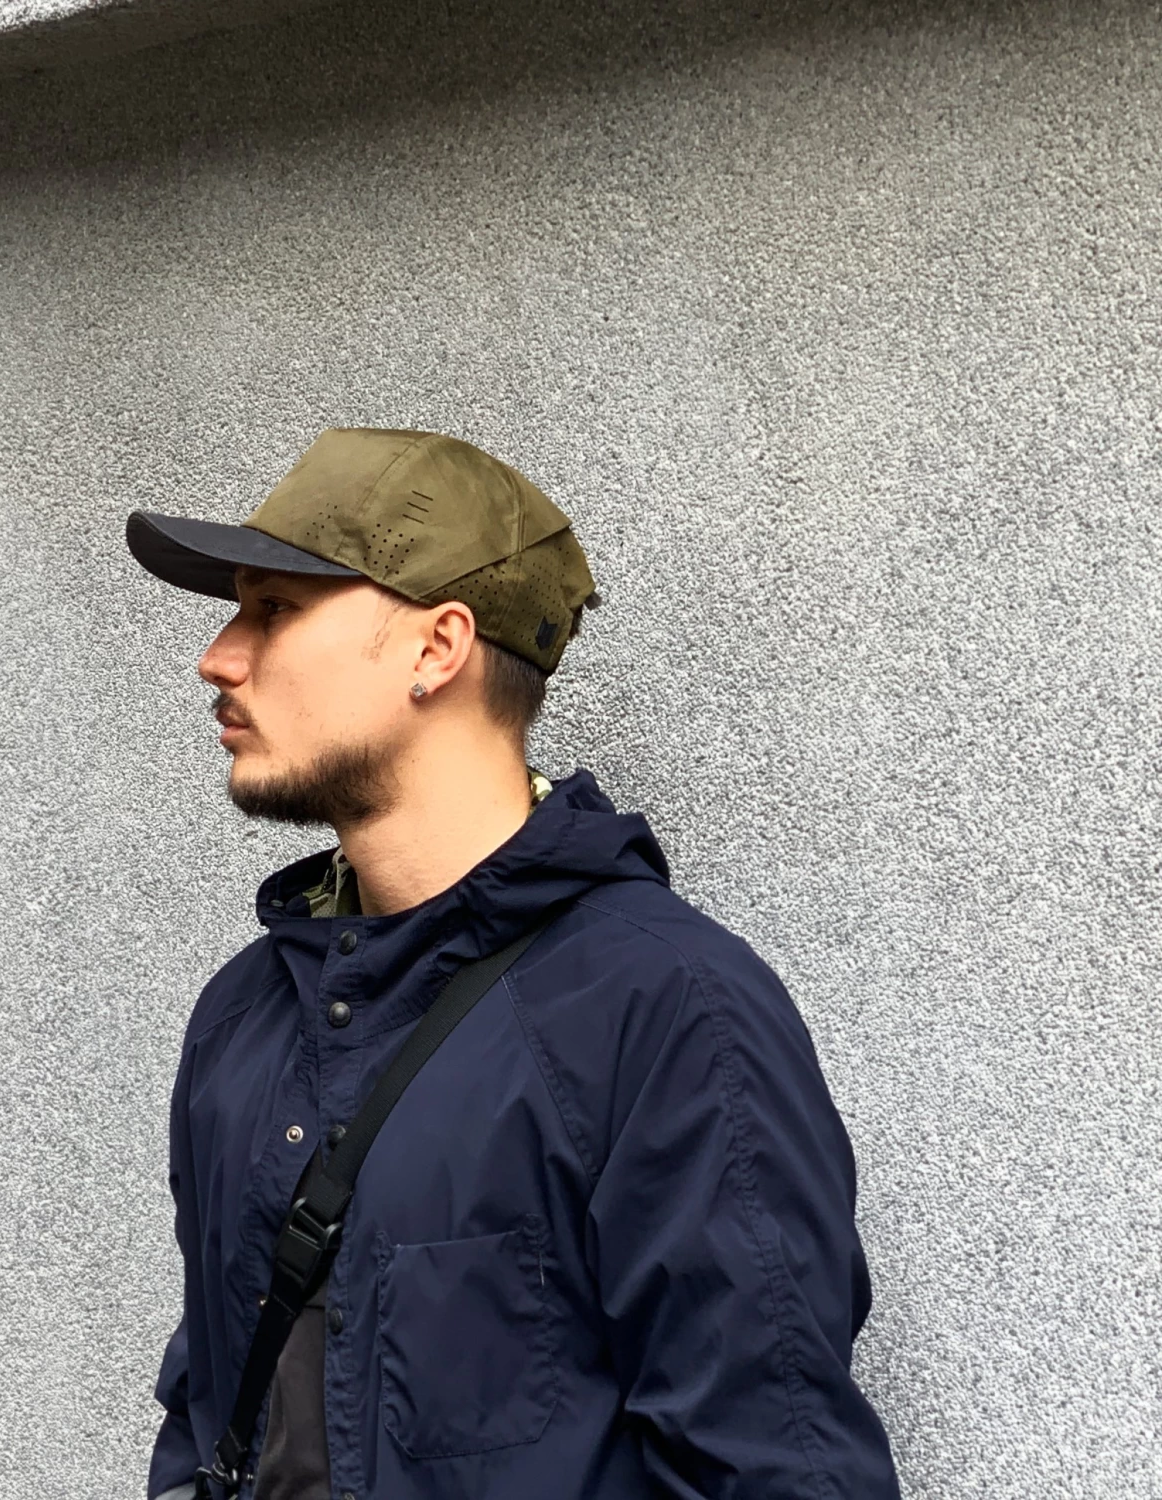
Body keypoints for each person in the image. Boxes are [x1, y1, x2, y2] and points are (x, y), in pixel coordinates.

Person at [126, 427, 901, 1500]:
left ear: (436, 649)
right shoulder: (245, 1014)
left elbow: (776, 1469)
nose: (219, 656)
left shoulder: (662, 1012)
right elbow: (210, 1411)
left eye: (275, 610)